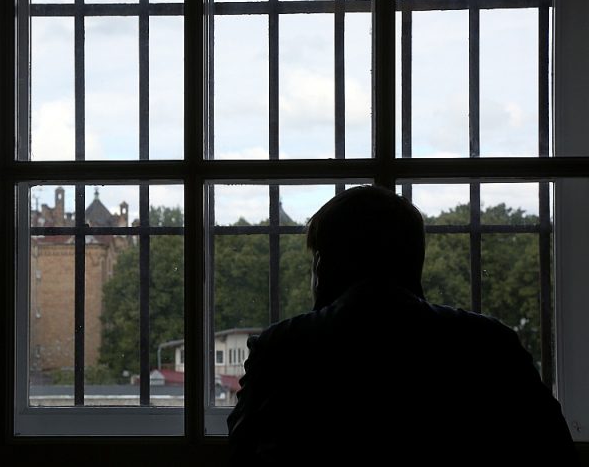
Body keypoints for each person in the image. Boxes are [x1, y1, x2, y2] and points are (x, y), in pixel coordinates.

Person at [226, 185, 577, 466]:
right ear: (415, 261)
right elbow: (553, 451)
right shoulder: (490, 343)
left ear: (323, 265)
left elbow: (242, 452)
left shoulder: (282, 346)